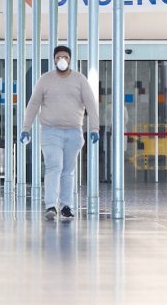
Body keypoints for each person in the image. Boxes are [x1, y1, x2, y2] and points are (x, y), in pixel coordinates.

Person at [20, 45, 99, 221]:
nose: (61, 60)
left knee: (68, 171)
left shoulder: (79, 80)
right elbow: (33, 104)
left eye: (65, 57)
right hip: (50, 131)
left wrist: (94, 128)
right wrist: (26, 128)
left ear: (70, 59)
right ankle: (50, 206)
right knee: (54, 166)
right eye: (58, 57)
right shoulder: (45, 80)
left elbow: (91, 103)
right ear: (54, 59)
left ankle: (66, 206)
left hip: (73, 132)